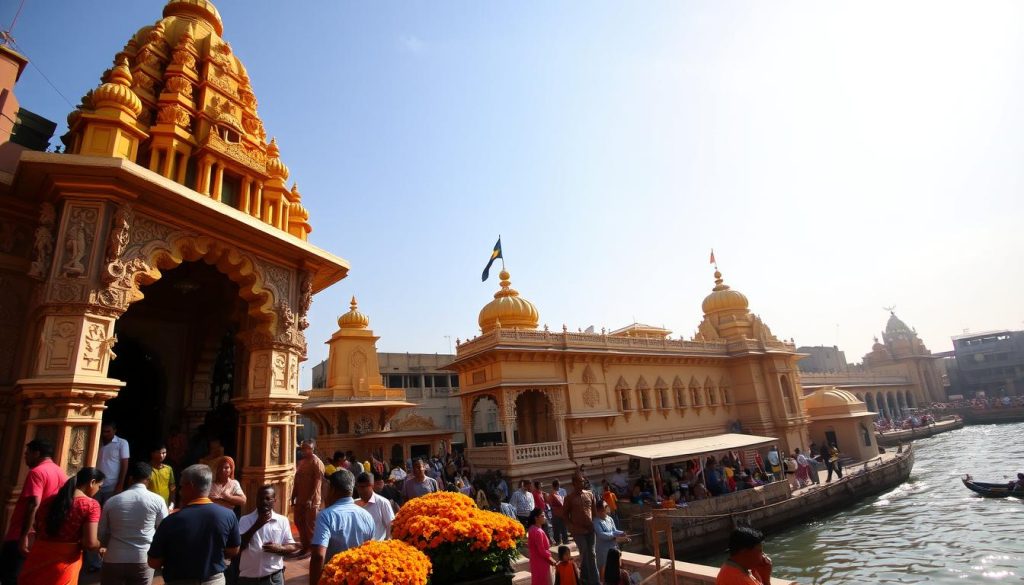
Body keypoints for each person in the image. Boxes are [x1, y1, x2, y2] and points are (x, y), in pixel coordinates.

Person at [148, 464, 240, 585]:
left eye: (181, 486)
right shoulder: (228, 515)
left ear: (190, 486)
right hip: (214, 581)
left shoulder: (170, 521)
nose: (180, 491)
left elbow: (153, 562)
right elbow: (234, 550)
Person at [0, 438, 66, 585]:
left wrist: (24, 535)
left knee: (11, 575)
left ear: (37, 453)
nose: (25, 457)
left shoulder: (37, 472)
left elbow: (33, 504)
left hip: (22, 534)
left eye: (27, 454)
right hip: (42, 533)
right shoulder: (60, 472)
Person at [98, 462, 168, 585]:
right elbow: (164, 531)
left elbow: (101, 532)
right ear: (149, 479)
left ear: (130, 478)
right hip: (142, 558)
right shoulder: (158, 500)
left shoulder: (112, 501)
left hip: (114, 557)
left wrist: (103, 546)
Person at [309, 470, 374, 585]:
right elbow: (371, 552)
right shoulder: (367, 516)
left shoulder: (326, 516)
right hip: (359, 579)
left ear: (332, 489)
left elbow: (318, 555)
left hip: (333, 579)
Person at [236, 486, 298, 585]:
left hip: (273, 578)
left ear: (275, 501)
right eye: (261, 498)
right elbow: (239, 547)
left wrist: (280, 548)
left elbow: (292, 546)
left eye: (268, 498)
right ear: (256, 500)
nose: (264, 501)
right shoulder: (245, 520)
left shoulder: (282, 520)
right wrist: (257, 525)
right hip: (248, 579)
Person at [292, 439, 325, 559]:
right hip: (300, 499)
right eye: (303, 448)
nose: (305, 450)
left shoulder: (317, 462)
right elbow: (297, 480)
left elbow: (317, 483)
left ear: (313, 449)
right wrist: (293, 495)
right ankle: (304, 546)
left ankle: (311, 549)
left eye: (308, 448)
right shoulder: (302, 462)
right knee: (298, 521)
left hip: (312, 501)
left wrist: (311, 499)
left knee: (310, 525)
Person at [564, 472, 599, 585]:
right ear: (574, 483)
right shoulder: (569, 498)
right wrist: (571, 526)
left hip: (590, 529)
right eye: (579, 481)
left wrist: (593, 523)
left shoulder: (589, 494)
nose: (581, 483)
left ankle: (595, 580)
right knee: (584, 551)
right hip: (578, 530)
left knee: (592, 553)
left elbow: (594, 512)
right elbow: (565, 515)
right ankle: (585, 578)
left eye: (583, 481)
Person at [355, 472, 395, 541]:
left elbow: (391, 527)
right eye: (358, 487)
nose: (360, 491)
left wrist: (386, 544)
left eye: (363, 487)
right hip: (358, 549)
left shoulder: (383, 503)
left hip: (378, 547)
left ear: (372, 486)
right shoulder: (354, 504)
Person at [97, 422, 130, 502]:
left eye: (108, 431)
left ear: (114, 431)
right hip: (96, 484)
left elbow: (124, 464)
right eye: (103, 431)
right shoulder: (96, 441)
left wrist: (120, 484)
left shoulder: (122, 443)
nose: (105, 434)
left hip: (112, 484)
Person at [594, 502, 627, 581]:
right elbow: (601, 535)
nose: (606, 510)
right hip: (603, 549)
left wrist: (621, 533)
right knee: (603, 567)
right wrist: (615, 535)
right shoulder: (595, 521)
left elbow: (614, 530)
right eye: (604, 509)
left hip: (613, 546)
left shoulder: (609, 519)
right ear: (599, 510)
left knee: (616, 565)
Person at [527, 508, 556, 585]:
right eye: (542, 516)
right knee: (544, 581)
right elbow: (542, 550)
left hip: (535, 561)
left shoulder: (532, 529)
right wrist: (551, 558)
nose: (545, 517)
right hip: (542, 562)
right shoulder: (538, 531)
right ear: (536, 518)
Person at [548, 479, 569, 546]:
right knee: (556, 527)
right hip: (556, 512)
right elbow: (550, 503)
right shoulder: (552, 493)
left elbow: (565, 500)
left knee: (563, 527)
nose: (557, 487)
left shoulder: (562, 491)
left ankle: (565, 540)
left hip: (561, 511)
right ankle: (558, 541)